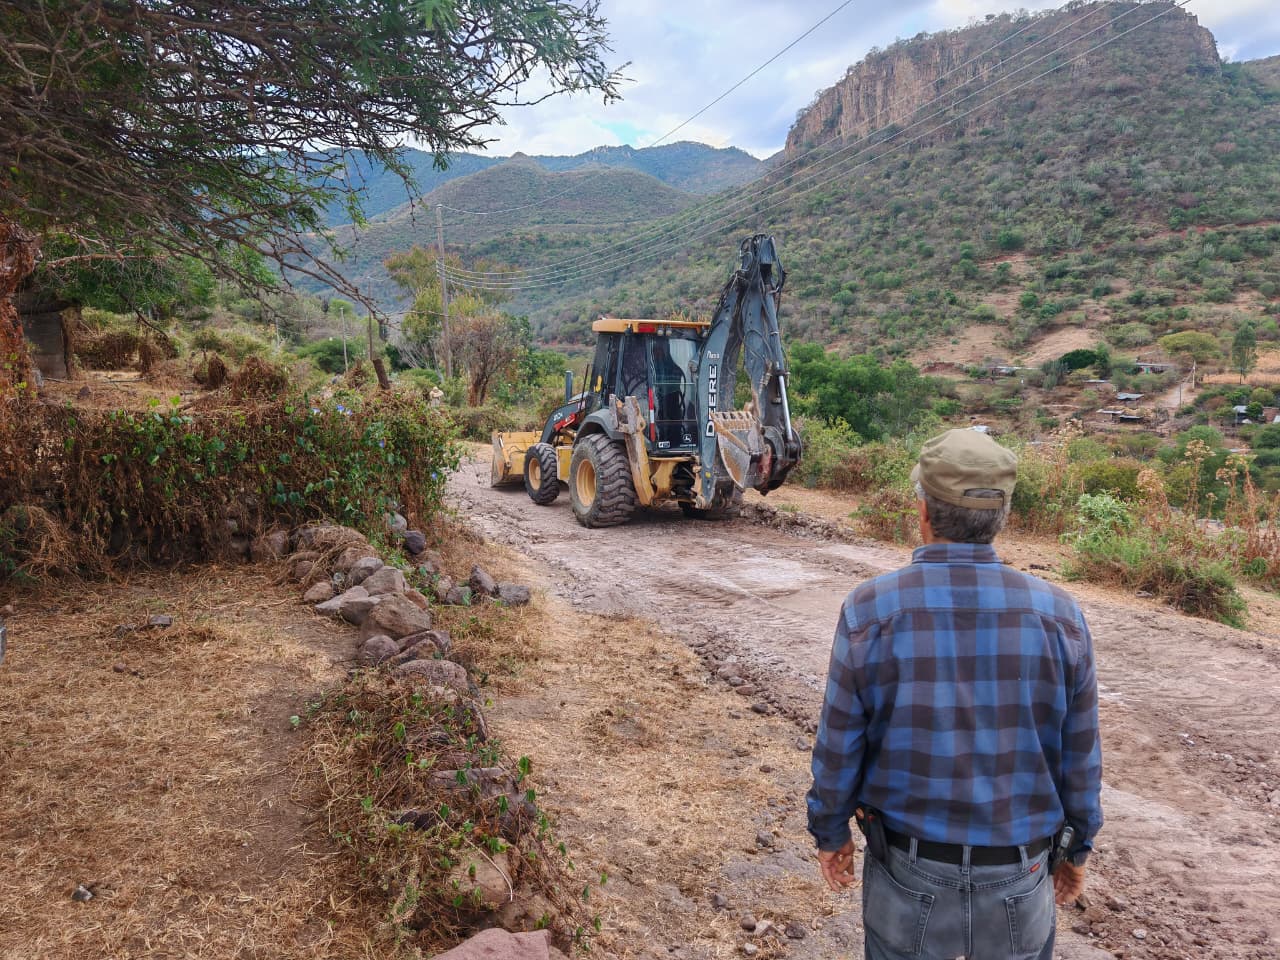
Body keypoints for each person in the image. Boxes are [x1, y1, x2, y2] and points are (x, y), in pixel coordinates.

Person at [806, 428, 1102, 960]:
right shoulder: (1061, 615)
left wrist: (831, 833)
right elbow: (1080, 756)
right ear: (1002, 517)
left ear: (923, 511)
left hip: (907, 873)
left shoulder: (869, 610)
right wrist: (1077, 848)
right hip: (1021, 873)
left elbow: (839, 745)